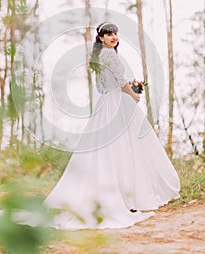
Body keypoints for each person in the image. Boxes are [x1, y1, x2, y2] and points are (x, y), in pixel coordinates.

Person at [43, 22, 180, 230]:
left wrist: (127, 89)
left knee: (113, 150)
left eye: (115, 33)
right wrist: (133, 93)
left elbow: (101, 86)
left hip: (106, 102)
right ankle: (130, 197)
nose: (114, 37)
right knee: (128, 147)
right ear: (101, 38)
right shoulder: (109, 54)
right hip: (118, 103)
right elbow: (120, 79)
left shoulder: (98, 58)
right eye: (109, 34)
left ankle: (124, 195)